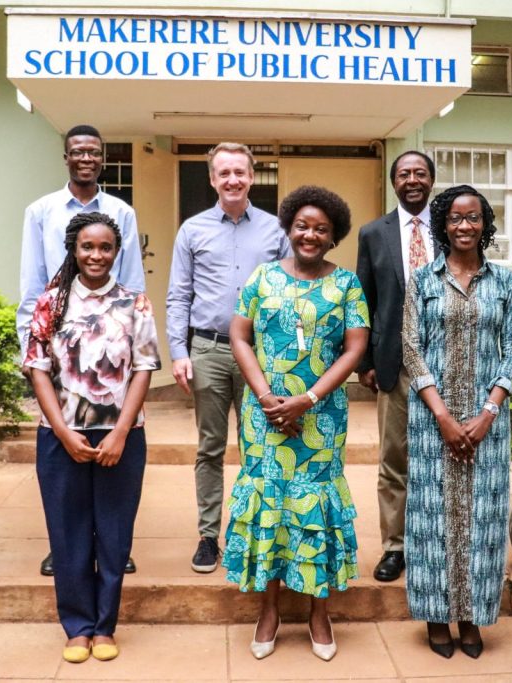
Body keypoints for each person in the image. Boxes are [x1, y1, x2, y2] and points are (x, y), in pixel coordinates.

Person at [223, 185, 369, 661]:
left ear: (333, 237)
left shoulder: (346, 285)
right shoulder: (262, 278)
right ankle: (269, 611)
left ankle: (318, 612)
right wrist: (266, 397)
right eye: (302, 225)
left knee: (315, 509)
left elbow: (355, 348)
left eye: (321, 229)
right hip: (264, 418)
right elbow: (240, 337)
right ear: (288, 228)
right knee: (271, 504)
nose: (310, 234)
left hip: (320, 419)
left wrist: (307, 398)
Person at [24, 212, 161, 664]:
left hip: (121, 438)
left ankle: (105, 627)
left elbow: (143, 368)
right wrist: (62, 433)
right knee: (68, 535)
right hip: (60, 437)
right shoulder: (50, 303)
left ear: (116, 251)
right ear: (74, 250)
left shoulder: (135, 302)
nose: (96, 255)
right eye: (87, 247)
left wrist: (122, 431)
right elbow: (37, 370)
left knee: (114, 537)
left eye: (104, 247)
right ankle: (77, 627)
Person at [17, 124, 144, 577]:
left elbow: (131, 284)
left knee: (113, 458)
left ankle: (113, 547)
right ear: (66, 156)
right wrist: (32, 355)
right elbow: (32, 287)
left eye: (93, 152)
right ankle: (66, 548)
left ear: (103, 158)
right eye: (77, 151)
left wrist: (129, 347)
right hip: (55, 346)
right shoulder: (41, 212)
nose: (85, 158)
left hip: (111, 346)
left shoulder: (121, 212)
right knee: (63, 460)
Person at [401, 184, 512, 659]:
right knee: (432, 518)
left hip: (487, 420)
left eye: (473, 218)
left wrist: (488, 411)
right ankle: (436, 616)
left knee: (482, 518)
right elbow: (412, 347)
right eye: (455, 218)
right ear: (443, 225)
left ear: (484, 224)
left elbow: (511, 349)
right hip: (433, 417)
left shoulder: (505, 281)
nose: (464, 226)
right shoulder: (423, 280)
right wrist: (445, 417)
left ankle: (471, 617)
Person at [166, 142, 291, 574]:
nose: (233, 179)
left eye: (240, 171)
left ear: (252, 176)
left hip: (261, 355)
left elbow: (290, 294)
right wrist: (179, 353)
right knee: (211, 448)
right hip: (209, 351)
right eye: (224, 173)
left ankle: (257, 531)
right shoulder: (193, 230)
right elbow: (179, 296)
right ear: (213, 179)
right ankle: (207, 536)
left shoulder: (277, 231)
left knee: (261, 447)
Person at [355, 150, 436, 582]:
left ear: (431, 181)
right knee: (394, 459)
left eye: (420, 173)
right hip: (394, 364)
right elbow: (363, 302)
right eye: (404, 174)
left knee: (440, 458)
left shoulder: (450, 226)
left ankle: (433, 541)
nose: (412, 180)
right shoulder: (373, 234)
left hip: (446, 364)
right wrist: (365, 361)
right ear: (393, 182)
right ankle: (395, 546)